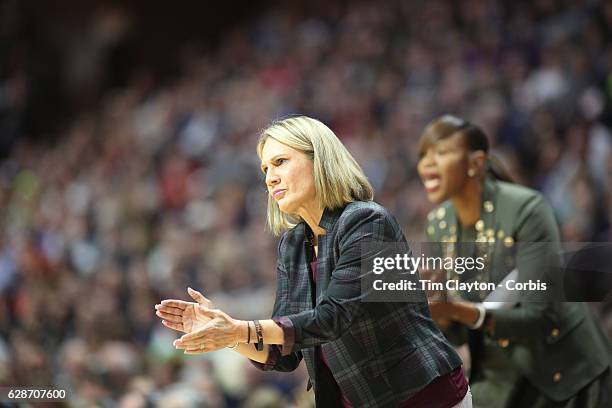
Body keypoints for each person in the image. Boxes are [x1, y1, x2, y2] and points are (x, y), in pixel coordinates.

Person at [155, 115, 472, 407]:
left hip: (426, 396)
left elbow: (333, 318)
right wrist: (230, 334)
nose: (270, 178)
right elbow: (284, 352)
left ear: (320, 160)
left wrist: (242, 327)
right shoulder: (293, 244)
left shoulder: (365, 221)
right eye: (266, 169)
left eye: (280, 162)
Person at [417, 114, 612, 408]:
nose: (426, 165)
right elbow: (455, 330)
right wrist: (440, 311)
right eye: (423, 156)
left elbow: (541, 315)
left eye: (441, 154)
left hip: (568, 372)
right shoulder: (438, 225)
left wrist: (461, 311)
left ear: (475, 163)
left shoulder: (527, 209)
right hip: (502, 379)